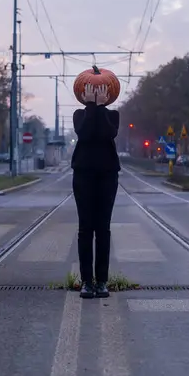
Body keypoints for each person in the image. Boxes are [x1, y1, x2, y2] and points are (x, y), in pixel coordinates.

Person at [71, 82, 120, 299]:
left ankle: (101, 282)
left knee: (103, 229)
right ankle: (86, 283)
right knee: (85, 229)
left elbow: (107, 134)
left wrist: (100, 108)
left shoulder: (113, 115)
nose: (97, 93)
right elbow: (85, 134)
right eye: (93, 90)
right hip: (83, 175)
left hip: (107, 175)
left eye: (101, 91)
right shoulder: (79, 115)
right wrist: (91, 107)